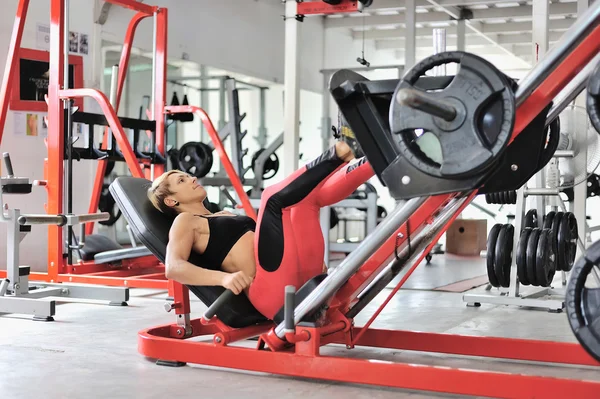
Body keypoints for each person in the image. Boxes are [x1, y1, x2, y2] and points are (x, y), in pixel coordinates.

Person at [148, 115, 375, 320]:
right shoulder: (186, 221)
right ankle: (341, 151)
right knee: (271, 198)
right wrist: (222, 279)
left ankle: (375, 161)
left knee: (306, 200)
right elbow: (173, 267)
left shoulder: (221, 214)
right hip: (270, 292)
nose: (191, 179)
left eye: (187, 175)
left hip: (292, 274)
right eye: (181, 181)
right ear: (171, 201)